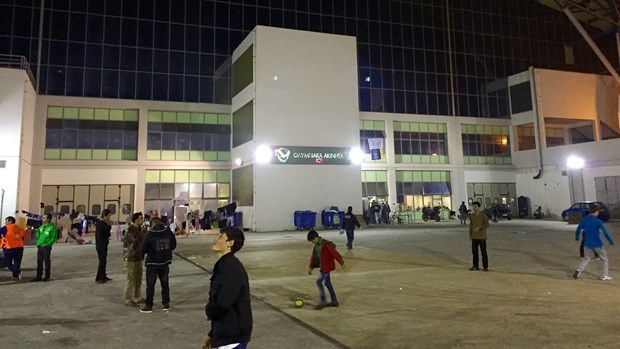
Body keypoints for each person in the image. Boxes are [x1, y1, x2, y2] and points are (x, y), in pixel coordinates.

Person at [202, 227, 252, 349]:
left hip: (232, 335)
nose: (215, 239)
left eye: (220, 237)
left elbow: (223, 303)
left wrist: (209, 310)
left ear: (230, 243)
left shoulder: (231, 267)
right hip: (226, 332)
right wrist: (212, 334)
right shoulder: (225, 264)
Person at [140, 217, 176, 313]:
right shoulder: (168, 232)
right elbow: (173, 245)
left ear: (152, 224)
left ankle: (149, 305)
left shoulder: (150, 234)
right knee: (165, 284)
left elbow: (143, 248)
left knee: (150, 285)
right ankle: (166, 304)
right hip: (165, 263)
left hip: (152, 263)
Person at [573, 205, 614, 280]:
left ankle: (578, 270)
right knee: (604, 259)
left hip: (587, 243)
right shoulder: (598, 221)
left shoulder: (584, 220)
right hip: (597, 243)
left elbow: (578, 229)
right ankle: (604, 275)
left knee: (586, 258)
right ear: (596, 211)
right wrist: (610, 240)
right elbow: (605, 232)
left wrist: (577, 237)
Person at [307, 230, 345, 310]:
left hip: (327, 267)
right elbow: (314, 258)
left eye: (312, 240)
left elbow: (334, 253)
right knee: (327, 283)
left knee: (319, 281)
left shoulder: (325, 244)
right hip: (323, 267)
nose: (312, 242)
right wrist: (311, 267)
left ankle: (323, 300)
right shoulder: (317, 246)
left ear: (316, 238)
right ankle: (334, 300)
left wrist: (341, 262)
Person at [123, 212, 145, 307]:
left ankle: (137, 296)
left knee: (138, 278)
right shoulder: (131, 230)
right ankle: (128, 299)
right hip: (131, 258)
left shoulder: (139, 229)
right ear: (135, 220)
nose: (142, 220)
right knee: (131, 279)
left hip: (138, 257)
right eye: (140, 218)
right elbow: (134, 242)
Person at [31, 213, 58, 282]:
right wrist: (38, 241)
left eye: (44, 217)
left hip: (46, 247)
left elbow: (54, 238)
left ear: (48, 219)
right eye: (43, 217)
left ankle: (46, 276)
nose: (43, 219)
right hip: (40, 246)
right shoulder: (41, 227)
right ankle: (38, 276)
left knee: (46, 261)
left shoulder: (52, 227)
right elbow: (38, 234)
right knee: (39, 261)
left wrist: (47, 244)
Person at [0, 216, 26, 281]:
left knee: (6, 262)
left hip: (10, 248)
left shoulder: (6, 228)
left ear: (10, 221)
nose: (5, 223)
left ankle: (17, 273)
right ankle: (15, 277)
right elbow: (22, 236)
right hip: (19, 248)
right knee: (17, 262)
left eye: (6, 221)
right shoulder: (20, 228)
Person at [469, 202, 490, 271]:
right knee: (474, 252)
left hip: (482, 237)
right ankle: (475, 266)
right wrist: (470, 235)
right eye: (473, 207)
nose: (474, 208)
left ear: (479, 207)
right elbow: (471, 226)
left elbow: (487, 224)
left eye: (475, 207)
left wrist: (480, 227)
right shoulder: (472, 216)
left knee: (483, 252)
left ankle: (485, 266)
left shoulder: (483, 215)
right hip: (474, 237)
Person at [95, 209, 113, 283]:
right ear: (104, 215)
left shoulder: (101, 224)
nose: (109, 217)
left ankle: (99, 276)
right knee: (102, 261)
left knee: (102, 261)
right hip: (101, 245)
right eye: (108, 216)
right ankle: (102, 277)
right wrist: (109, 226)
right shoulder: (101, 224)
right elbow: (107, 233)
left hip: (102, 245)